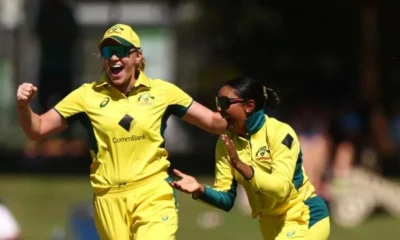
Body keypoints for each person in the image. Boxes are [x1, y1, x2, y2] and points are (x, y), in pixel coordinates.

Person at [16, 23, 227, 240]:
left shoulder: (163, 92)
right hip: (109, 199)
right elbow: (38, 128)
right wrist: (24, 107)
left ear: (137, 57)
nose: (114, 58)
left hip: (153, 193)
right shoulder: (86, 96)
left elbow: (212, 121)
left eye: (121, 51)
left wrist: (248, 111)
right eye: (108, 52)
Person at [170, 77, 330, 240]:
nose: (219, 110)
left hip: (304, 217)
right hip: (270, 225)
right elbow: (226, 198)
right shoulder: (225, 142)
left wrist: (242, 167)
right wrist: (200, 190)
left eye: (225, 103)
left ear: (249, 106)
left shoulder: (280, 133)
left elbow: (281, 189)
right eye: (217, 102)